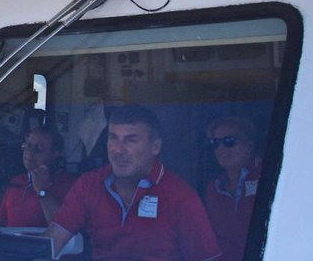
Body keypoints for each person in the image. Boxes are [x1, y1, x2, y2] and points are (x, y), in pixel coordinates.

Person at [45, 105, 221, 261]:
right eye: (113, 138)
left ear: (155, 147)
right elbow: (52, 241)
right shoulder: (89, 184)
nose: (119, 150)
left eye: (131, 140)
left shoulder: (181, 196)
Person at [0, 127, 74, 228]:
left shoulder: (69, 186)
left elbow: (64, 228)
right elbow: (5, 225)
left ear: (55, 154)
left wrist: (43, 191)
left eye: (38, 149)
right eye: (28, 145)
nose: (29, 152)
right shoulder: (16, 182)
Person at [205, 116, 262, 261]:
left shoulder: (268, 177)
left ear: (249, 145)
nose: (221, 148)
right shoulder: (213, 188)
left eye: (229, 142)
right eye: (215, 143)